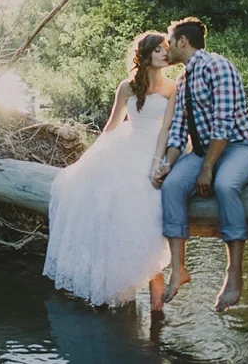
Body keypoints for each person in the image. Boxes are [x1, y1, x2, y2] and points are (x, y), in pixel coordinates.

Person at [43, 32, 176, 312]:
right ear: (146, 54)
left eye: (167, 49)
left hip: (156, 149)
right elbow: (112, 126)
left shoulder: (172, 88)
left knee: (149, 206)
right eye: (159, 50)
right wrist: (91, 159)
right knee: (112, 203)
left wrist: (163, 159)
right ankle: (117, 283)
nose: (166, 53)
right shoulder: (127, 87)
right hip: (128, 146)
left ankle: (157, 306)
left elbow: (169, 128)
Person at [151, 17, 248, 312]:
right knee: (172, 186)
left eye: (169, 41)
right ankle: (178, 268)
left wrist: (207, 168)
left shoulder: (217, 65)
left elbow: (223, 124)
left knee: (226, 185)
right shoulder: (184, 79)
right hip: (204, 152)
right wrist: (167, 164)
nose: (166, 46)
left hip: (240, 147)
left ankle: (233, 275)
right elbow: (177, 130)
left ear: (182, 42)